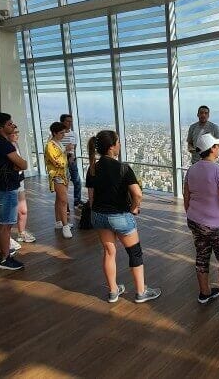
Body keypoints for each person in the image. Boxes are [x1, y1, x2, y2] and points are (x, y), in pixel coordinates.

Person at [86, 130, 161, 304]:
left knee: (109, 252)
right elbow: (137, 194)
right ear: (112, 146)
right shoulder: (123, 168)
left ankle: (113, 291)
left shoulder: (93, 167)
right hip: (119, 216)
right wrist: (134, 208)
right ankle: (141, 292)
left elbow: (91, 197)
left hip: (98, 215)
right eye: (118, 142)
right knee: (134, 252)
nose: (120, 145)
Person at [184, 133, 219, 315]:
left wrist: (192, 215)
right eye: (217, 146)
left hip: (196, 221)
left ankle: (204, 293)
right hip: (218, 226)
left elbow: (187, 196)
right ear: (212, 149)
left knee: (201, 255)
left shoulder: (191, 170)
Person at [0, 112, 28, 270]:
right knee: (6, 224)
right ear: (1, 128)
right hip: (7, 187)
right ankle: (5, 259)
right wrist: (18, 164)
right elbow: (23, 164)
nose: (13, 126)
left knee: (1, 222)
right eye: (10, 124)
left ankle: (0, 252)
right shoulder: (5, 145)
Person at [45, 122, 72, 238]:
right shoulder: (50, 145)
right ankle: (65, 226)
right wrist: (65, 150)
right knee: (63, 200)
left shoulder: (57, 143)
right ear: (54, 133)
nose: (63, 135)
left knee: (59, 199)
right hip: (57, 175)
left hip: (63, 174)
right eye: (61, 133)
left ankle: (59, 222)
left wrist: (65, 151)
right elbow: (57, 161)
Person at [8, 129, 36, 243]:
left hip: (19, 180)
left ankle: (21, 233)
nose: (17, 135)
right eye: (14, 133)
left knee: (23, 210)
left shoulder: (15, 144)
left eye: (17, 132)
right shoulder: (6, 148)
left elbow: (22, 164)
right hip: (10, 182)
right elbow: (21, 164)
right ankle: (7, 239)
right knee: (9, 212)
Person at [60, 114, 83, 210]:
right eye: (68, 121)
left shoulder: (74, 134)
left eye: (71, 121)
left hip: (72, 160)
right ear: (62, 122)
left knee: (77, 181)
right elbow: (55, 149)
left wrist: (72, 156)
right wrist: (66, 150)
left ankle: (77, 202)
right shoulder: (58, 135)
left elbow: (74, 147)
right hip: (62, 160)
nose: (70, 123)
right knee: (64, 184)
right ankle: (66, 206)